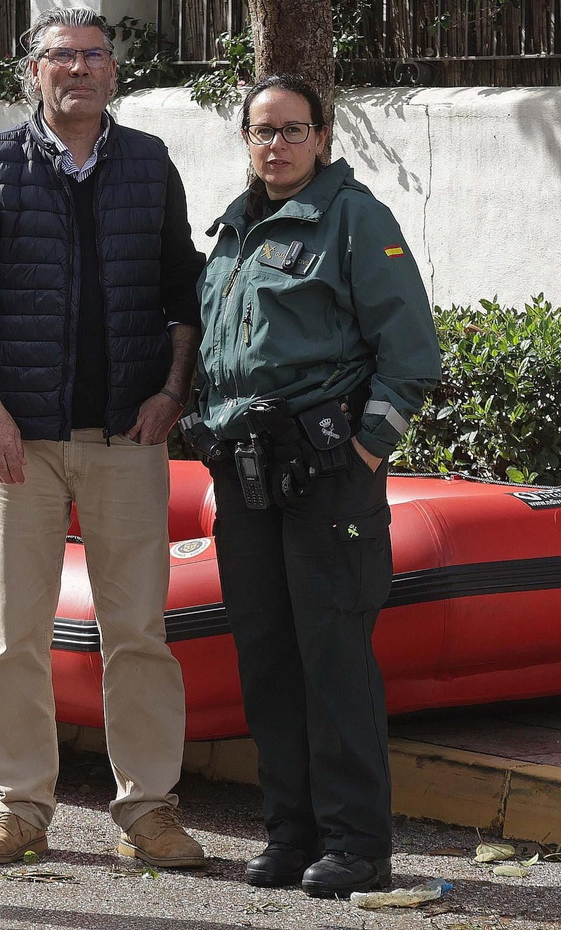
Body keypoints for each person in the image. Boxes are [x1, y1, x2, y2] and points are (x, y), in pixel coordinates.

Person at [0, 7, 207, 869]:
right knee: (17, 631)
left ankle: (150, 811)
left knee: (140, 633)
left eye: (95, 56)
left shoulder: (151, 164)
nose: (80, 69)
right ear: (34, 73)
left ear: (114, 73)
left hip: (131, 434)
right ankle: (19, 810)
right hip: (24, 440)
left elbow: (181, 292)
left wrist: (171, 393)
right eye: (62, 57)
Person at [187, 75, 440, 898]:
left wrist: (365, 451)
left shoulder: (357, 220)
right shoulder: (233, 228)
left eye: (293, 130)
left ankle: (357, 844)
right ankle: (291, 833)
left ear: (323, 136)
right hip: (249, 477)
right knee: (268, 660)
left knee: (335, 661)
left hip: (329, 478)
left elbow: (411, 357)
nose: (277, 145)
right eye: (262, 131)